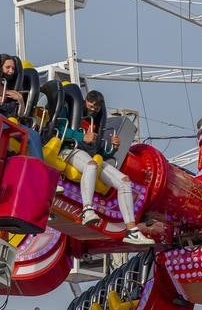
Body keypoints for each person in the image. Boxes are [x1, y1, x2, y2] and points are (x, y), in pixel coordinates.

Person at [61, 90, 153, 247]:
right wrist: (80, 137)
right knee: (91, 165)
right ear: (85, 101)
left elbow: (100, 151)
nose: (93, 107)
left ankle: (131, 230)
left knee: (124, 181)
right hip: (69, 149)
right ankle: (87, 210)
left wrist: (113, 148)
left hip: (89, 155)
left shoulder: (96, 124)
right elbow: (60, 127)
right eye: (91, 103)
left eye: (97, 106)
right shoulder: (72, 109)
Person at [0, 55, 44, 161]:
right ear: (0, 67)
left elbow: (20, 115)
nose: (11, 71)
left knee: (34, 135)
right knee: (7, 125)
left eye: (13, 68)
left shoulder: (10, 88)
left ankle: (38, 168)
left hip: (7, 118)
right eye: (7, 67)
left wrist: (20, 100)